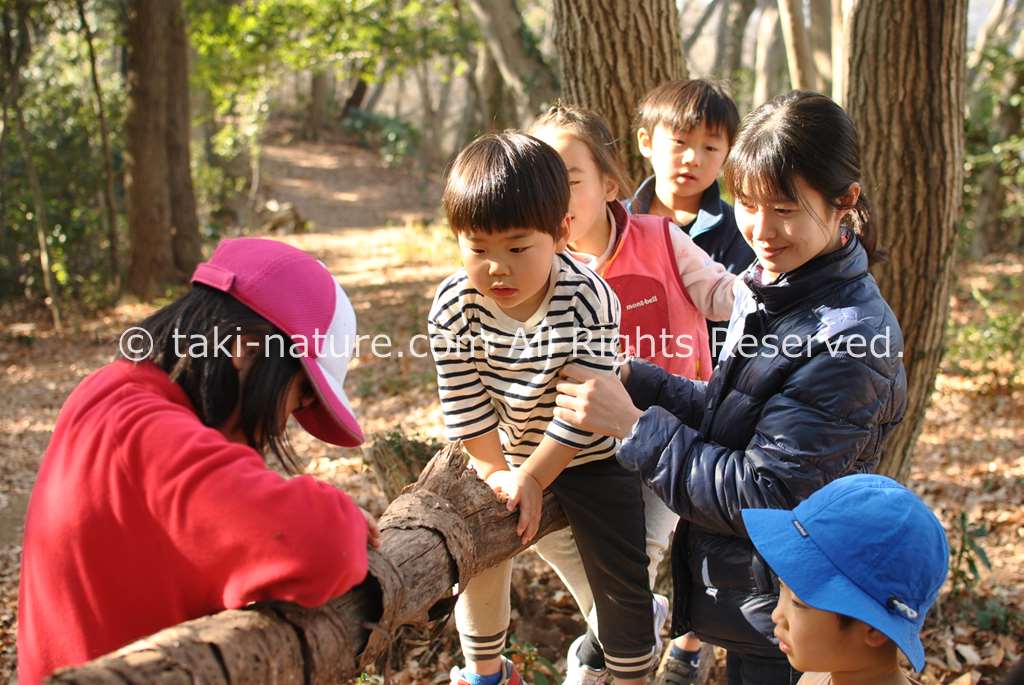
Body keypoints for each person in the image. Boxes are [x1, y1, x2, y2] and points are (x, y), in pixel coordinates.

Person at [553, 91, 908, 685]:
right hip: (756, 600)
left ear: (845, 201)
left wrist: (634, 426)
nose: (761, 231)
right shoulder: (774, 286)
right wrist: (639, 380)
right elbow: (729, 414)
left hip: (801, 612)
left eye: (785, 209)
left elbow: (765, 493)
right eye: (747, 204)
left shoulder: (849, 340)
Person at [17, 238, 379, 684]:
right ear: (245, 348)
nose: (289, 419)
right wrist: (344, 518)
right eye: (303, 392)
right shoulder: (148, 434)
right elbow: (324, 546)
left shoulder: (111, 392)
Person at [429, 132, 656, 685]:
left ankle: (627, 671)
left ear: (558, 233)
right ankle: (485, 671)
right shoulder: (454, 306)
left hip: (589, 454)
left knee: (621, 578)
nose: (496, 267)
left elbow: (583, 406)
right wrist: (499, 474)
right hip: (498, 451)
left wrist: (536, 476)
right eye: (477, 248)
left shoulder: (588, 297)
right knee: (477, 544)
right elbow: (466, 403)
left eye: (516, 246)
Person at [530, 104, 737, 685]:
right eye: (539, 181)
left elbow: (723, 294)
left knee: (641, 546)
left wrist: (771, 295)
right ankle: (628, 623)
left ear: (609, 184)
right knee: (544, 537)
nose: (555, 198)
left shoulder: (661, 238)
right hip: (579, 439)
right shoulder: (537, 263)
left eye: (569, 180)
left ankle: (606, 653)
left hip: (668, 429)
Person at [742, 474, 949, 685]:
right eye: (781, 587)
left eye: (797, 602)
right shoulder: (814, 679)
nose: (777, 615)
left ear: (874, 629)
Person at [629, 78, 755, 366]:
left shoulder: (739, 231)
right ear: (646, 142)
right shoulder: (617, 223)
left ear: (728, 154)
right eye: (680, 141)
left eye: (710, 148)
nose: (693, 158)